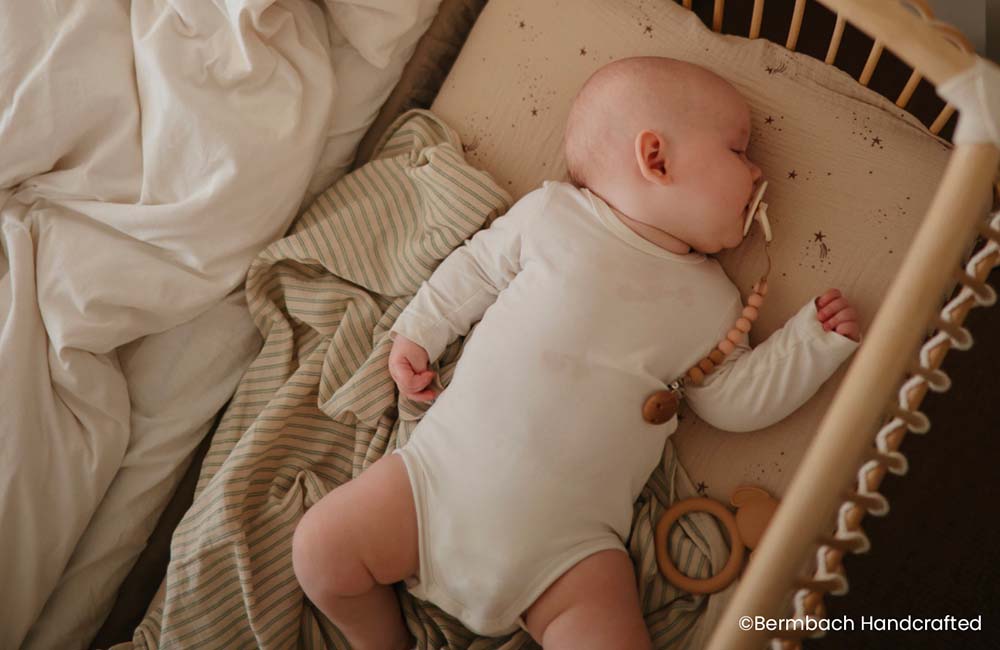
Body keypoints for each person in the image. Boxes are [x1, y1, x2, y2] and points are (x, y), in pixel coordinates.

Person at [291, 56, 862, 650]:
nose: (758, 171)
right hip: (433, 487)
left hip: (570, 555)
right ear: (657, 159)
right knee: (320, 550)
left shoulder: (715, 302)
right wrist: (418, 332)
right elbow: (478, 268)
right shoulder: (554, 215)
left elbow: (731, 400)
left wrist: (810, 345)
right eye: (739, 152)